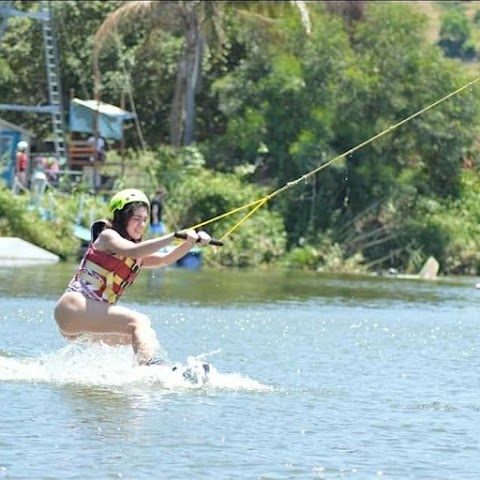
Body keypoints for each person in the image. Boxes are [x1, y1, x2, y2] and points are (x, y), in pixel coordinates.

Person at [54, 188, 212, 366]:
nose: (142, 224)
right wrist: (174, 236)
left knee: (145, 334)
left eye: (145, 220)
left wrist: (190, 243)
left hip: (84, 323)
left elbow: (164, 259)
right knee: (139, 321)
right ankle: (149, 369)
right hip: (72, 307)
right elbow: (134, 250)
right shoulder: (108, 236)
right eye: (136, 219)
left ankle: (144, 372)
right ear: (122, 218)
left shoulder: (136, 253)